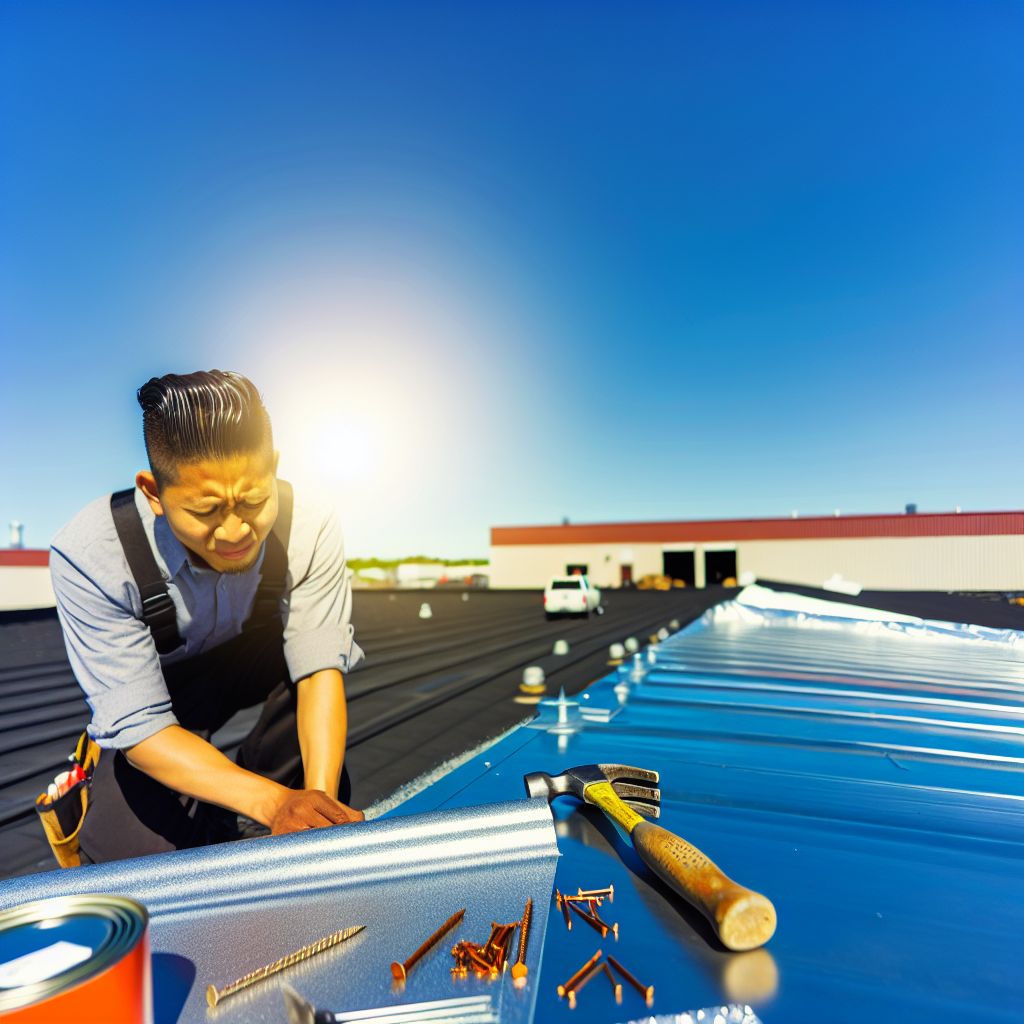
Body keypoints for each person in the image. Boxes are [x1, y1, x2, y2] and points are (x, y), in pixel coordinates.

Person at [49, 370, 364, 863]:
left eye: (255, 500)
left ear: (274, 467)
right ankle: (236, 797)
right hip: (162, 697)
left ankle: (264, 785)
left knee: (318, 703)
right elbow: (142, 728)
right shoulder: (89, 554)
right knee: (132, 857)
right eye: (207, 511)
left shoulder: (311, 524)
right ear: (154, 492)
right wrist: (275, 803)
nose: (237, 530)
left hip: (253, 664)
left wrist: (316, 814)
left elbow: (319, 669)